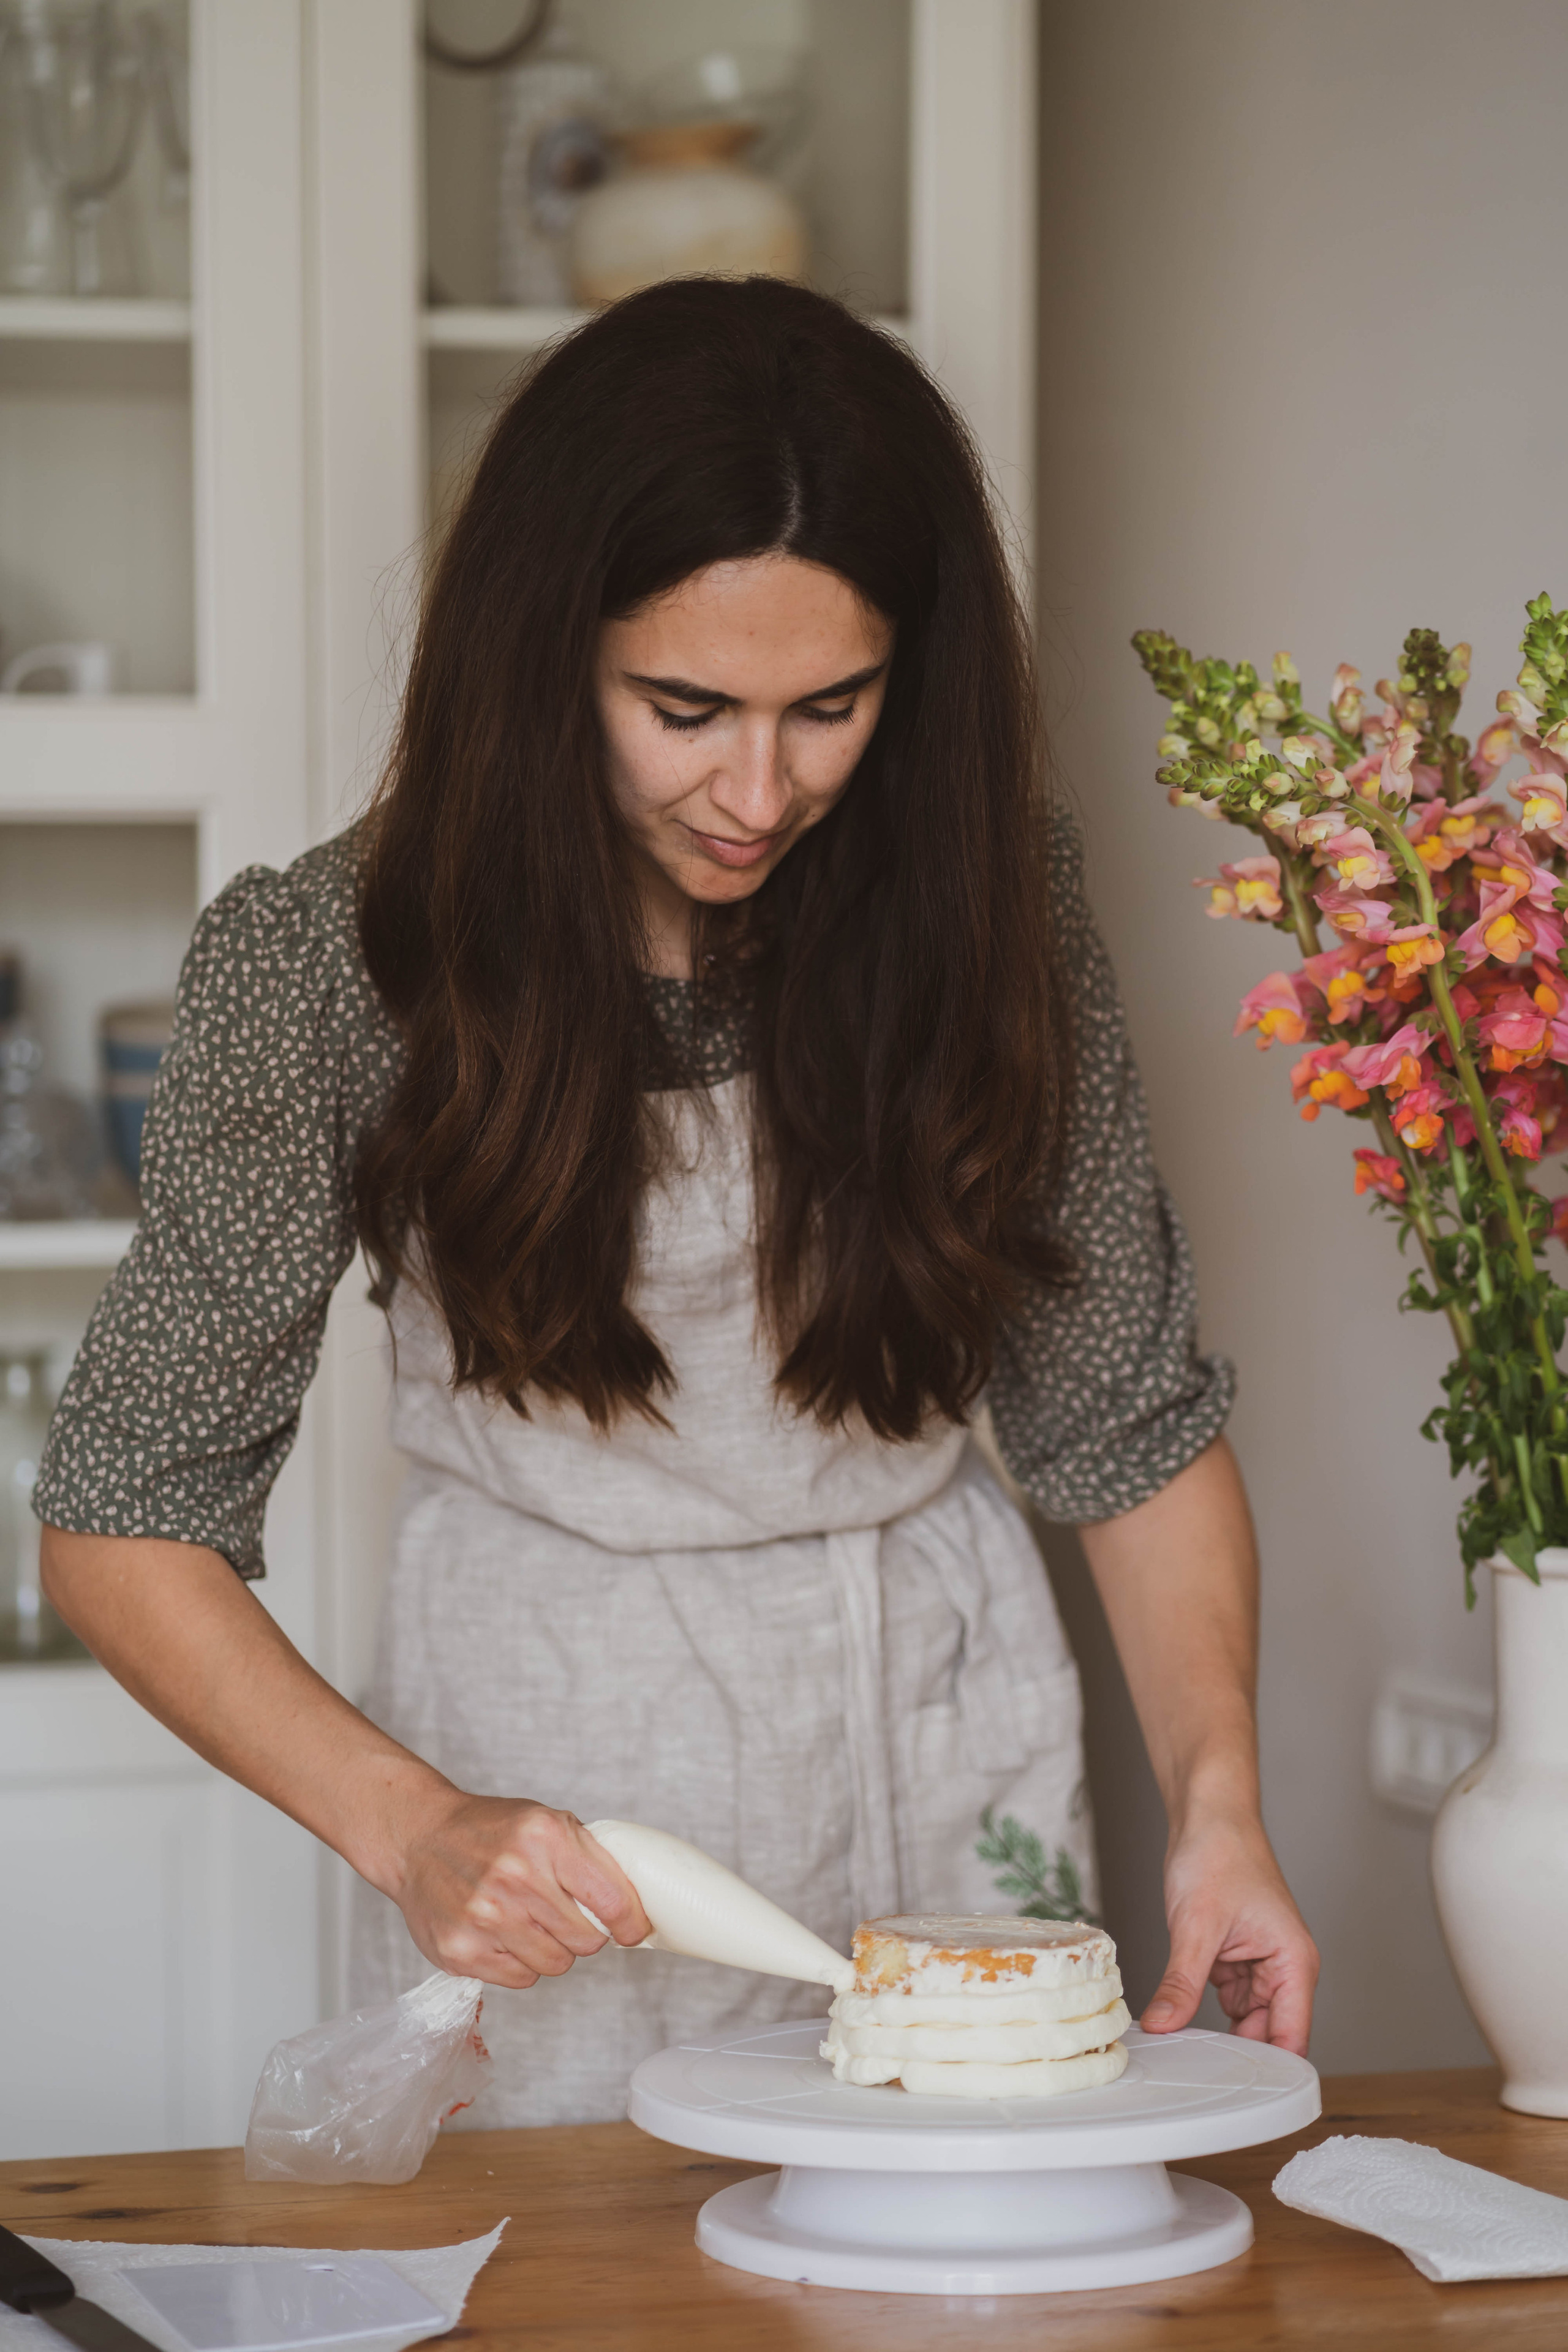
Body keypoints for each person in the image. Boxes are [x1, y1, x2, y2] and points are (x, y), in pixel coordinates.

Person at [36, 277, 1317, 2127]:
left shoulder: (984, 913)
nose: (758, 789)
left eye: (834, 707)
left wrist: (1221, 1809)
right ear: (545, 653)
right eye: (685, 706)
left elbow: (1121, 1424)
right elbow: (121, 1516)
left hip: (939, 1702)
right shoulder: (338, 963)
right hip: (552, 1764)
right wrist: (417, 1831)